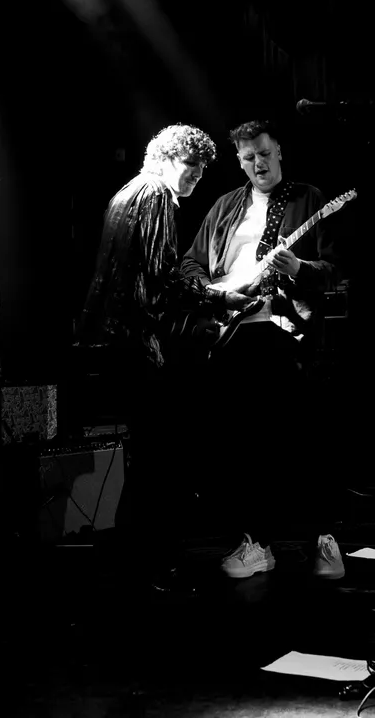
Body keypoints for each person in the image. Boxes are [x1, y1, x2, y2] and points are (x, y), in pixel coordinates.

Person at [77, 123, 251, 587]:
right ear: (167, 158)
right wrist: (219, 297)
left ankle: (134, 565)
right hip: (133, 345)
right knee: (157, 462)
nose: (197, 175)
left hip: (108, 342)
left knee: (143, 461)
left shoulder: (125, 193)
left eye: (202, 168)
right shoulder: (156, 196)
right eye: (191, 164)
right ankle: (153, 567)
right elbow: (161, 277)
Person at [180, 119, 346, 579]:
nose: (259, 164)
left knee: (304, 443)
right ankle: (256, 544)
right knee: (244, 447)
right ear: (239, 161)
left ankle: (323, 541)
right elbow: (190, 264)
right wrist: (216, 294)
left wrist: (300, 269)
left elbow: (336, 269)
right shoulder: (225, 207)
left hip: (288, 334)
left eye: (265, 154)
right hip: (234, 336)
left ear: (280, 152)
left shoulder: (310, 200)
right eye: (249, 157)